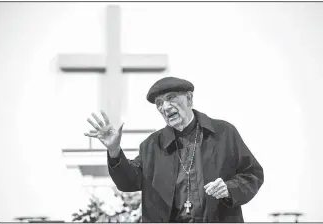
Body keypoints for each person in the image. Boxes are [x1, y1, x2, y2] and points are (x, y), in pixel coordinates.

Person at [84, 77, 264, 222]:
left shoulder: (223, 133)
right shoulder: (152, 145)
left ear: (189, 99)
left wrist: (229, 188)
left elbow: (253, 174)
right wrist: (114, 151)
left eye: (171, 98)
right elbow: (129, 182)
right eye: (159, 103)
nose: (165, 107)